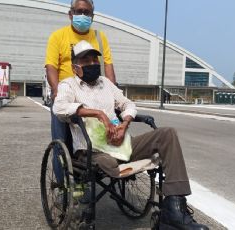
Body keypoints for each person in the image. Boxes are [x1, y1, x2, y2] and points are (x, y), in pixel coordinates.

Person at [53, 40, 208, 230]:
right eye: (86, 60)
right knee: (109, 163)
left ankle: (174, 209)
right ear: (75, 66)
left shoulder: (106, 84)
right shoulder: (68, 85)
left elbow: (128, 104)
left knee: (168, 134)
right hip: (92, 149)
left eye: (95, 59)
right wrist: (99, 113)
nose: (93, 64)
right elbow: (59, 108)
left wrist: (124, 124)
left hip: (121, 144)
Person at [45, 0, 117, 180]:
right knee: (62, 142)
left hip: (94, 93)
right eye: (79, 11)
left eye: (87, 12)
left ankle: (87, 177)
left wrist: (113, 93)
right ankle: (62, 185)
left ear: (92, 16)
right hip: (68, 94)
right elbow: (51, 66)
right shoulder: (58, 36)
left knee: (96, 139)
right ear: (71, 14)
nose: (83, 16)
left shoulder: (100, 37)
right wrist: (56, 91)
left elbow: (108, 66)